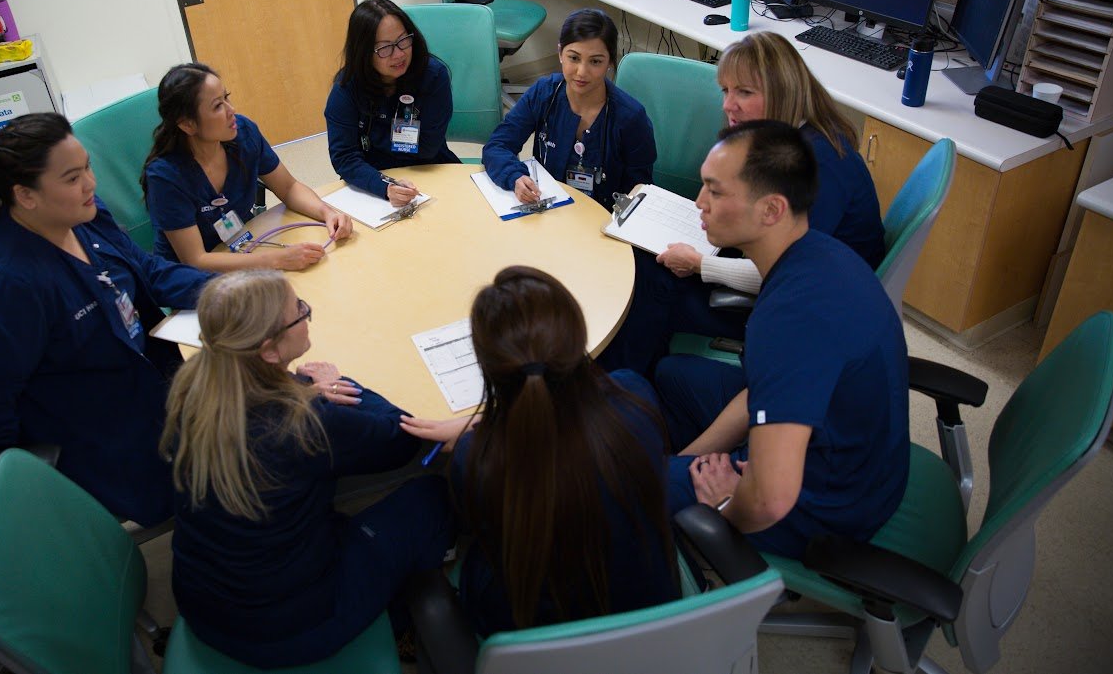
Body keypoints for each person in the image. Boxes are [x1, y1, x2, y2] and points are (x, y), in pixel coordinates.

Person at [162, 270, 454, 668]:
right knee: (433, 495)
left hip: (207, 606)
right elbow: (400, 438)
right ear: (268, 350)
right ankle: (401, 618)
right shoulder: (304, 425)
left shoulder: (195, 388)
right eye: (299, 311)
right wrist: (340, 382)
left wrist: (300, 390)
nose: (305, 314)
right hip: (294, 629)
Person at [655, 121, 908, 560]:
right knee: (669, 374)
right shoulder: (816, 253)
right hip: (853, 448)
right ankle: (679, 475)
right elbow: (763, 389)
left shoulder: (789, 318)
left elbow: (771, 499)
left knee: (632, 490)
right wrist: (684, 460)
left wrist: (726, 504)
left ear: (771, 210)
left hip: (828, 506)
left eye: (714, 192)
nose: (699, 203)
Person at [0, 113, 209, 527]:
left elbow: (148, 271)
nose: (91, 184)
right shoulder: (3, 289)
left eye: (87, 167)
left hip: (157, 386)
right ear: (26, 195)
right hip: (107, 439)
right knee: (270, 452)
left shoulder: (83, 216)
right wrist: (31, 501)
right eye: (72, 178)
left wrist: (227, 291)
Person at [402, 266, 678, 639]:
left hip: (531, 630)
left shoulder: (476, 457)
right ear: (578, 335)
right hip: (653, 614)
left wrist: (483, 425)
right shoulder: (635, 396)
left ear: (486, 367)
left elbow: (486, 533)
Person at [599, 31, 885, 371]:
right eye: (726, 91)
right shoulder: (791, 138)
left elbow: (780, 272)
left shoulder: (818, 166)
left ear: (783, 93)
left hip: (805, 308)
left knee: (648, 285)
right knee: (642, 257)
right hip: (785, 274)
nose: (728, 105)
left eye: (745, 92)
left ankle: (624, 388)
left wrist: (700, 265)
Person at [143, 62, 352, 272]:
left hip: (244, 251)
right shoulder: (165, 176)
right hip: (194, 281)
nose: (231, 110)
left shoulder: (243, 133)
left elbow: (288, 188)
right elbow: (195, 260)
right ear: (188, 124)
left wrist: (327, 213)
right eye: (217, 106)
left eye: (227, 97)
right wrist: (277, 259)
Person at [481, 9, 656, 210]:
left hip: (603, 220)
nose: (582, 72)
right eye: (574, 58)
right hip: (549, 211)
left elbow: (640, 191)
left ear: (609, 62)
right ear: (560, 53)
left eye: (595, 61)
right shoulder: (543, 94)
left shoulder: (631, 117)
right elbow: (498, 146)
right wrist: (515, 177)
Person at [325, 0, 460, 206]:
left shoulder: (433, 75)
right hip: (372, 179)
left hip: (428, 167)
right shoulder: (346, 89)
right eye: (385, 48)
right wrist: (384, 185)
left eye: (403, 40)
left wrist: (374, 140)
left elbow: (427, 147)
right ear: (363, 52)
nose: (399, 54)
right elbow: (344, 158)